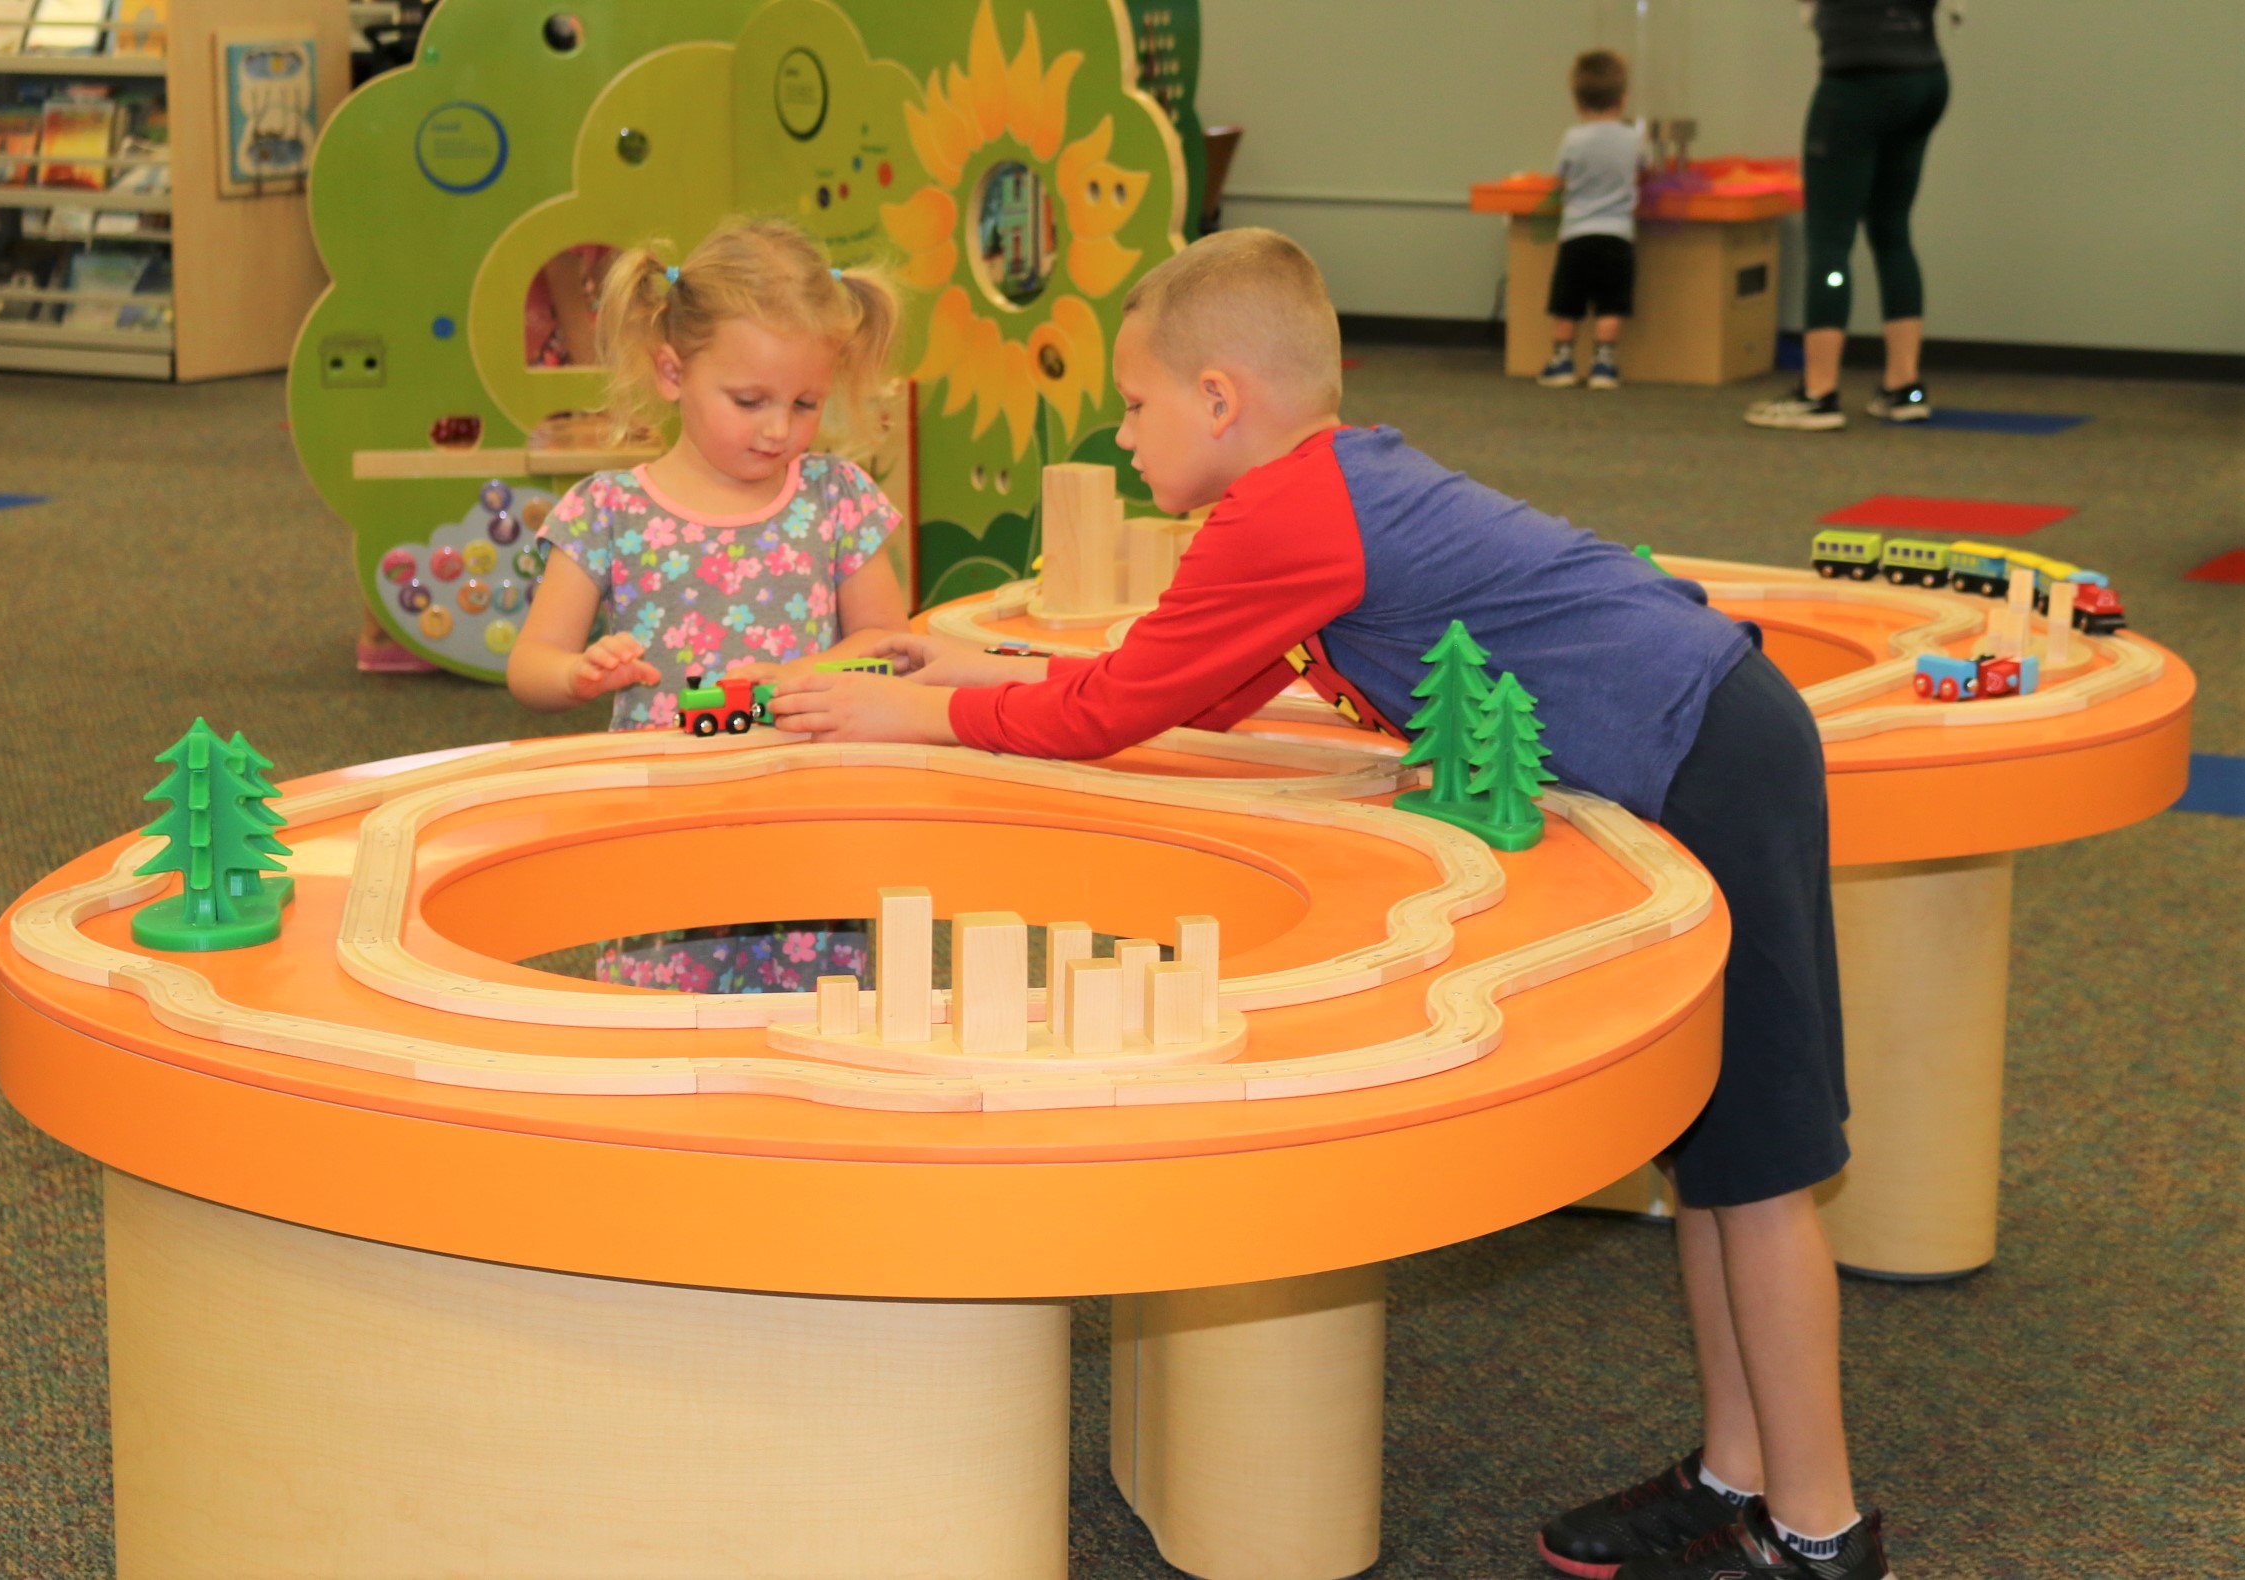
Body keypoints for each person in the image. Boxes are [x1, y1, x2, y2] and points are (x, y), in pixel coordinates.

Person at [774, 229, 1893, 1580]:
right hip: (1695, 734)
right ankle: (1738, 1474)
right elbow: (1206, 682)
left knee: (1758, 1171)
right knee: (1711, 1161)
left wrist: (926, 712)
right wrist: (991, 657)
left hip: (1711, 747)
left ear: (1219, 400)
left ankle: (1819, 1533)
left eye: (1135, 406)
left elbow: (1119, 709)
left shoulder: (1282, 512)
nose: (1124, 437)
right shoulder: (1323, 486)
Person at [506, 216, 907, 991]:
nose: (778, 429)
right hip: (665, 832)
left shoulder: (837, 499)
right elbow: (530, 664)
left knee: (812, 1035)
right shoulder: (609, 510)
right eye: (749, 399)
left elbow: (890, 649)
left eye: (804, 403)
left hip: (806, 830)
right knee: (658, 1047)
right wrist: (576, 674)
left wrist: (799, 675)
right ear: (670, 372)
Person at [1747, 0, 1951, 431]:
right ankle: (1904, 387)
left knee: (1829, 241)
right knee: (1893, 231)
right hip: (1925, 78)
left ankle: (1819, 392)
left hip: (1859, 82)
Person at [1540, 50, 1644, 392]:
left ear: (1577, 100)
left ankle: (1562, 362)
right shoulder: (1633, 138)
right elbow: (1645, 170)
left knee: (1567, 304)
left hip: (1576, 233)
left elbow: (1559, 181)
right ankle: (1604, 364)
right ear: (1623, 98)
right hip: (1618, 235)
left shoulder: (1573, 139)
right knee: (1611, 303)